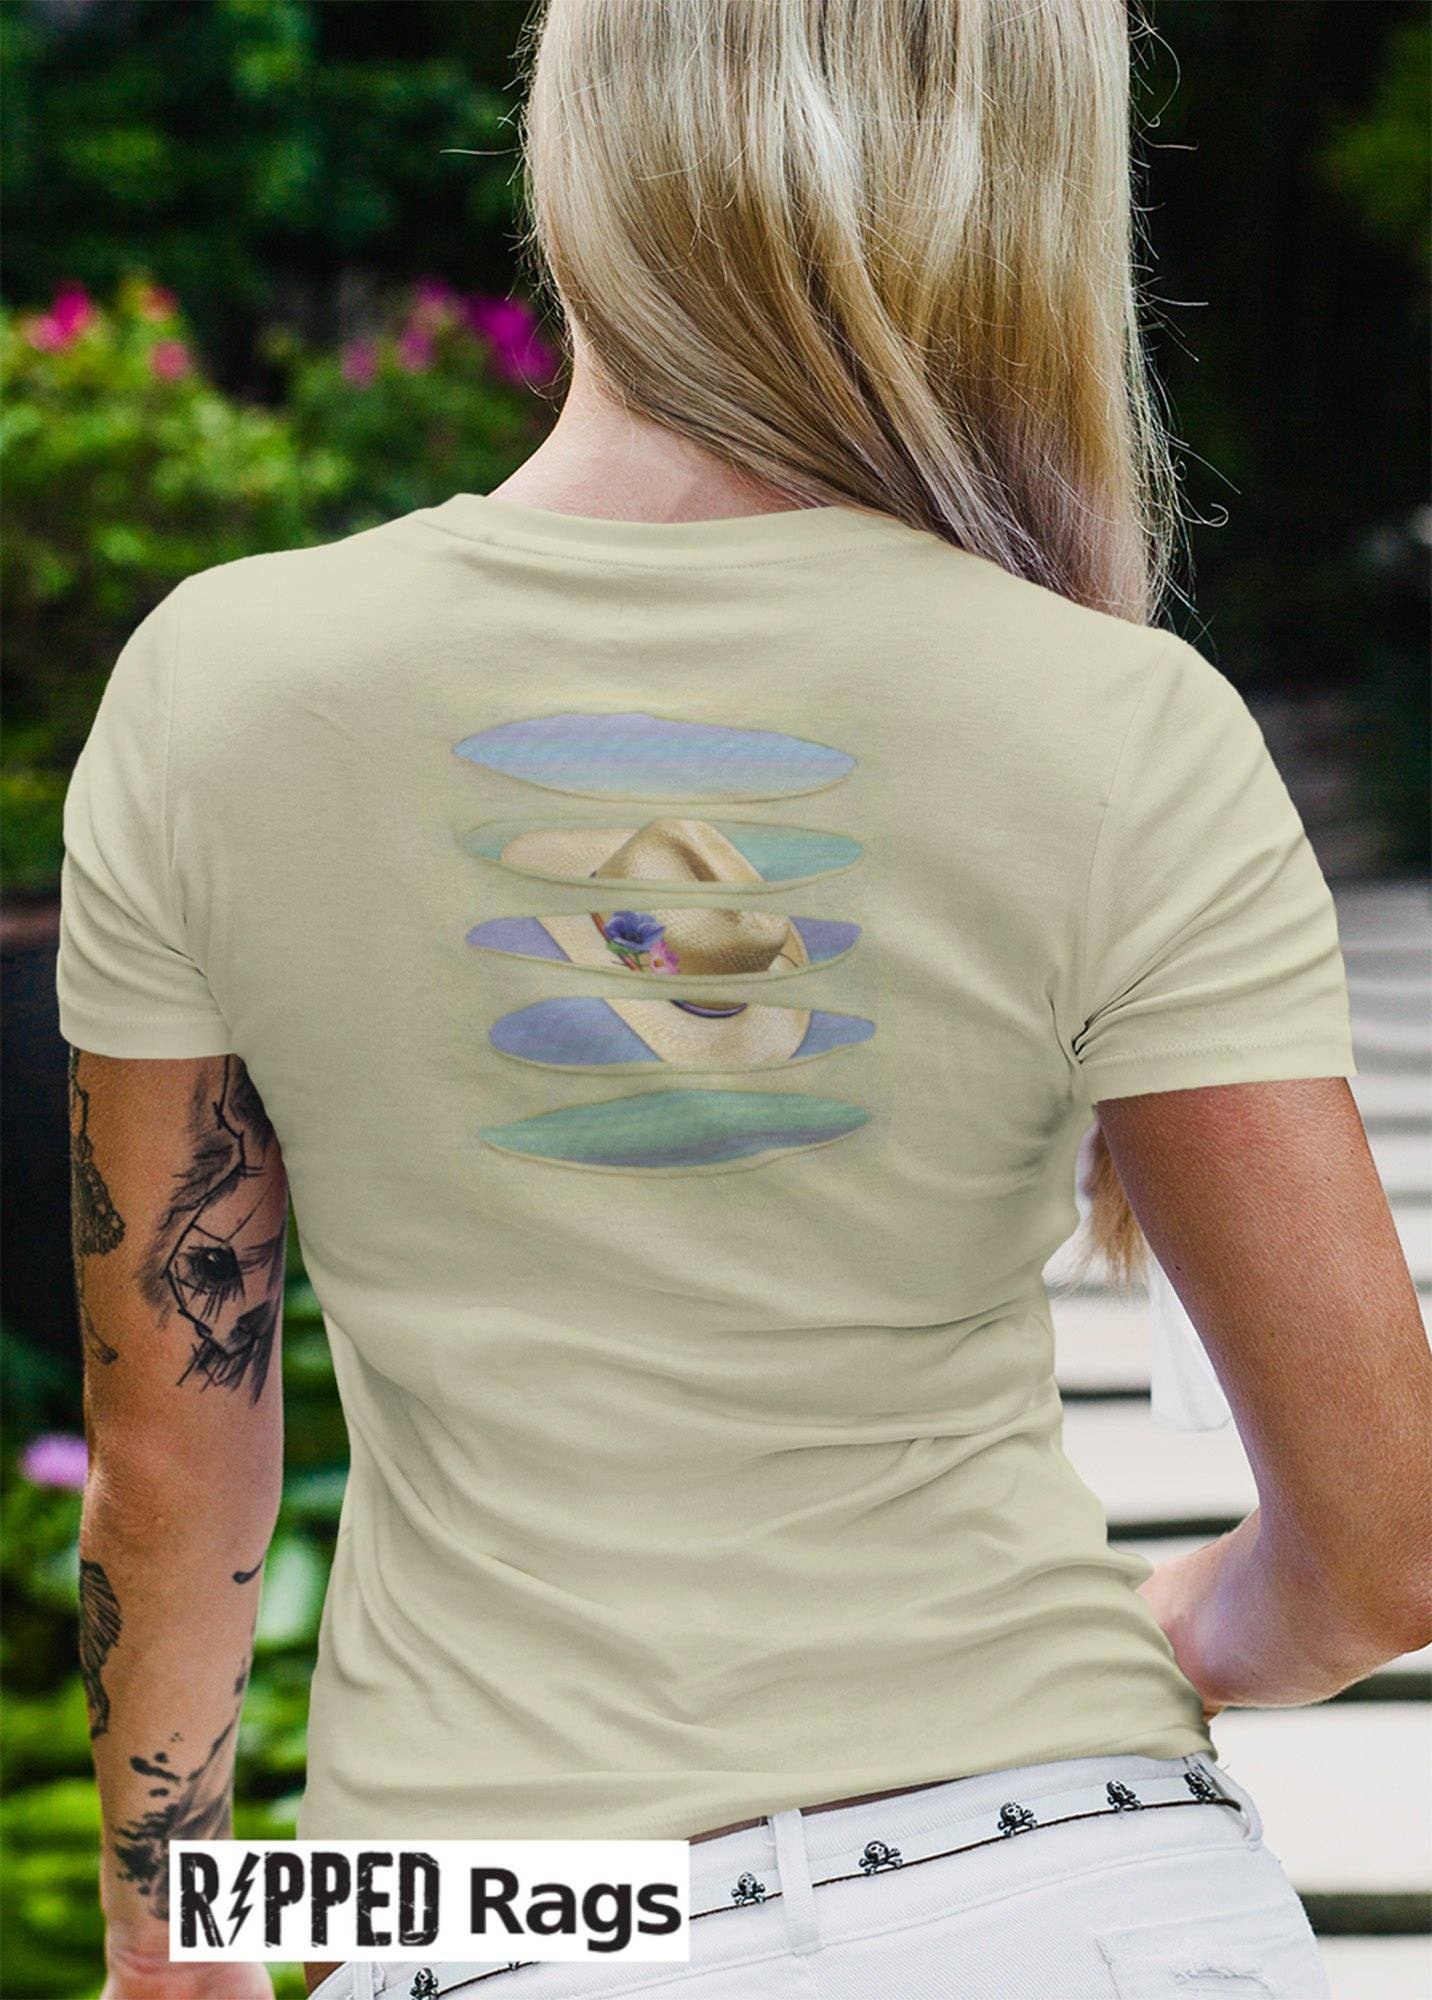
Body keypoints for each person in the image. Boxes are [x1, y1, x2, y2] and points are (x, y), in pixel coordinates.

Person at [58, 3, 1429, 1997]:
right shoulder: (1121, 721)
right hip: (1076, 1880)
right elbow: (1383, 1545)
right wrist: (1185, 1635)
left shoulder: (224, 688)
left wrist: (175, 1948)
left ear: (577, 138)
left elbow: (173, 1471)